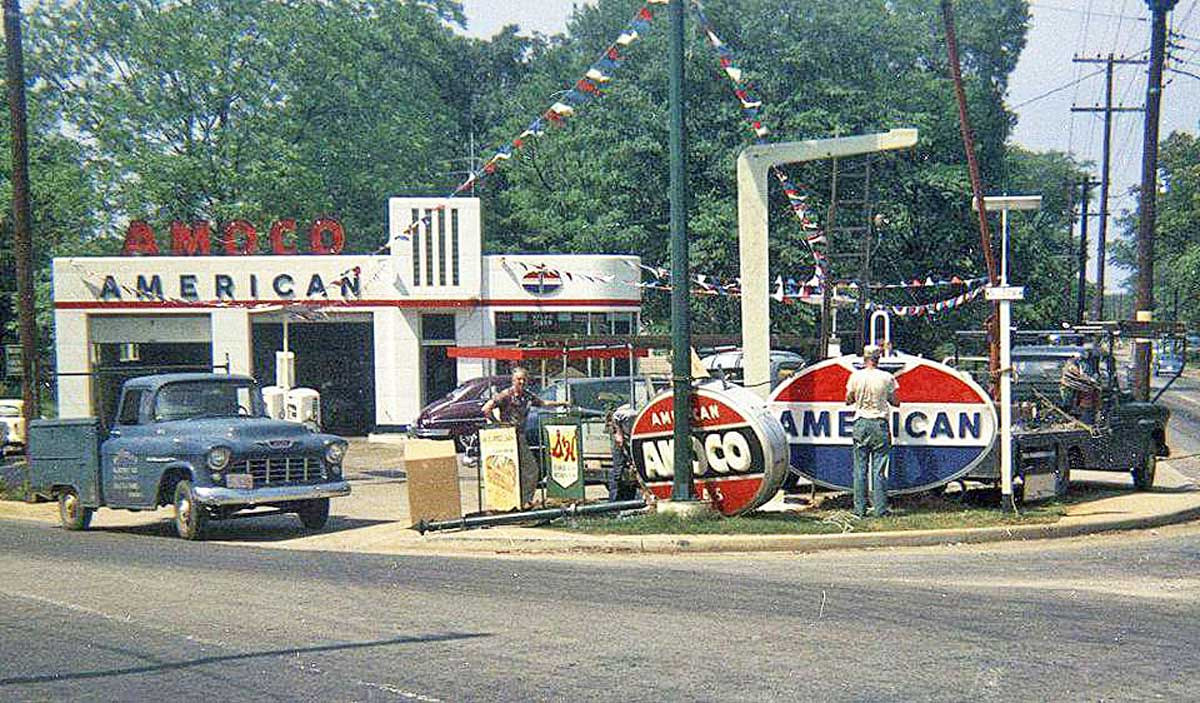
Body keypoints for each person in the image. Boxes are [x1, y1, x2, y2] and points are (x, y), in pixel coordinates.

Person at [481, 367, 568, 509]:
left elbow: (543, 403)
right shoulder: (505, 395)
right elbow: (486, 409)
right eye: (518, 379)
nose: (521, 382)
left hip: (520, 436)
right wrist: (499, 425)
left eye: (524, 379)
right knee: (522, 469)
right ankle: (513, 502)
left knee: (528, 469)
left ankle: (523, 500)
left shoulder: (526, 395)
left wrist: (562, 403)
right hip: (508, 437)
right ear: (513, 380)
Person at [845, 344, 899, 517]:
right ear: (878, 358)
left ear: (864, 358)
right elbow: (896, 401)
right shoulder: (887, 377)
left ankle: (859, 510)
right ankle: (880, 509)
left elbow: (848, 400)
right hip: (879, 423)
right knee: (879, 468)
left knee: (860, 468)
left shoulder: (855, 377)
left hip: (860, 422)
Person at [1060, 351, 1101, 425]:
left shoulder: (1085, 364)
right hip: (1079, 388)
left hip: (1085, 391)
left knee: (1086, 405)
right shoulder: (1073, 365)